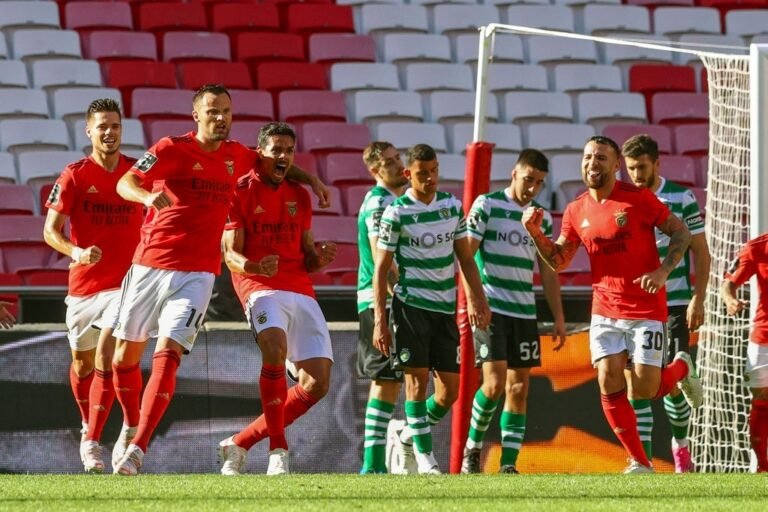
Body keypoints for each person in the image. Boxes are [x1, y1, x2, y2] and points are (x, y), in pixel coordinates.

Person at [109, 85, 328, 476]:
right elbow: (125, 182)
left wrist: (311, 179)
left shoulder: (237, 155)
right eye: (213, 111)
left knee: (169, 355)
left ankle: (138, 448)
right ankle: (129, 422)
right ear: (196, 115)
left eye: (226, 111)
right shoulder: (171, 148)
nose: (221, 118)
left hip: (198, 273)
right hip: (150, 264)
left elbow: (272, 162)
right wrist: (145, 198)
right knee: (123, 357)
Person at [522, 135, 703, 473]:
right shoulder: (576, 209)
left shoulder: (638, 198)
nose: (593, 163)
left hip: (646, 308)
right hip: (605, 308)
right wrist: (536, 234)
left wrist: (663, 271)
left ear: (616, 165)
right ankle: (639, 461)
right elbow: (560, 260)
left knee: (646, 388)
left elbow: (681, 233)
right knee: (608, 378)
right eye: (588, 157)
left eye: (601, 158)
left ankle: (681, 368)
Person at [217, 122, 336, 476]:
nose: (283, 156)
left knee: (318, 383)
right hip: (259, 286)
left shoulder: (299, 195)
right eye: (276, 150)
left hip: (299, 287)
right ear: (261, 153)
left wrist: (320, 258)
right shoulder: (239, 191)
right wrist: (255, 266)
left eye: (289, 150)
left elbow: (307, 255)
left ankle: (239, 443)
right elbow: (229, 255)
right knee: (273, 347)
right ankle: (278, 450)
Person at [373, 143, 491, 474]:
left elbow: (466, 258)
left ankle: (406, 435)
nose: (430, 178)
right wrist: (380, 320)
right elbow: (381, 269)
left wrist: (478, 299)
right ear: (408, 174)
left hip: (444, 309)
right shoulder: (396, 212)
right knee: (416, 381)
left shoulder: (451, 207)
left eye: (434, 170)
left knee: (449, 392)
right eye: (422, 173)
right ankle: (427, 461)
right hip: (411, 307)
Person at [42, 98, 144, 473]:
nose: (109, 132)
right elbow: (50, 231)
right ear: (89, 131)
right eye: (102, 126)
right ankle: (90, 423)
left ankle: (94, 442)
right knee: (83, 365)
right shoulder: (74, 175)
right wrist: (77, 252)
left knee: (106, 355)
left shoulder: (137, 172)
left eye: (115, 125)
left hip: (127, 284)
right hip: (84, 286)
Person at [461, 149, 567, 475]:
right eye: (528, 179)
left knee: (519, 387)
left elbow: (548, 269)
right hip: (492, 307)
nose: (532, 188)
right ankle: (472, 448)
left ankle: (509, 464)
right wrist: (474, 301)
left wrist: (558, 316)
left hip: (524, 311)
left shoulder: (541, 218)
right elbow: (466, 255)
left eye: (539, 182)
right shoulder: (487, 205)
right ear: (514, 173)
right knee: (493, 384)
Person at [622, 134, 711, 473]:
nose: (636, 175)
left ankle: (681, 448)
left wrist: (698, 297)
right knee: (636, 383)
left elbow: (700, 252)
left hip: (673, 303)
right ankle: (642, 461)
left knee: (667, 382)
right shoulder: (621, 199)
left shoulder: (680, 198)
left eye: (642, 167)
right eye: (631, 168)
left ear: (657, 164)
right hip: (633, 307)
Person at [355, 141, 410, 474]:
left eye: (398, 157)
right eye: (390, 162)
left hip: (390, 298)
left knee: (396, 379)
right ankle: (373, 464)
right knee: (386, 379)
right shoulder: (378, 202)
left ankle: (381, 457)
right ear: (375, 170)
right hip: (383, 300)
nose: (399, 165)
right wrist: (400, 297)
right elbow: (382, 259)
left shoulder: (392, 200)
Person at [721, 233, 768, 473]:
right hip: (764, 335)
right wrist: (730, 300)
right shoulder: (756, 248)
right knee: (761, 397)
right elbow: (728, 284)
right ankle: (762, 467)